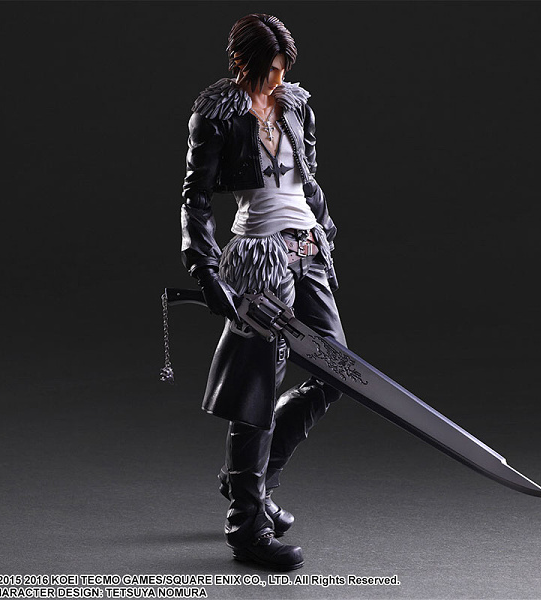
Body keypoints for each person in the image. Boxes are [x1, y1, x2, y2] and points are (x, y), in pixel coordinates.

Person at [180, 13, 346, 570]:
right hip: (259, 259)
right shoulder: (217, 116)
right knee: (256, 391)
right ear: (242, 62)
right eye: (269, 69)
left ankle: (251, 480)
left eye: (283, 69)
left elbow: (309, 180)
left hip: (308, 249)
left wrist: (326, 234)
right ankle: (247, 525)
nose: (278, 78)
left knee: (334, 371)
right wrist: (206, 271)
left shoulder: (295, 105)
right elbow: (195, 198)